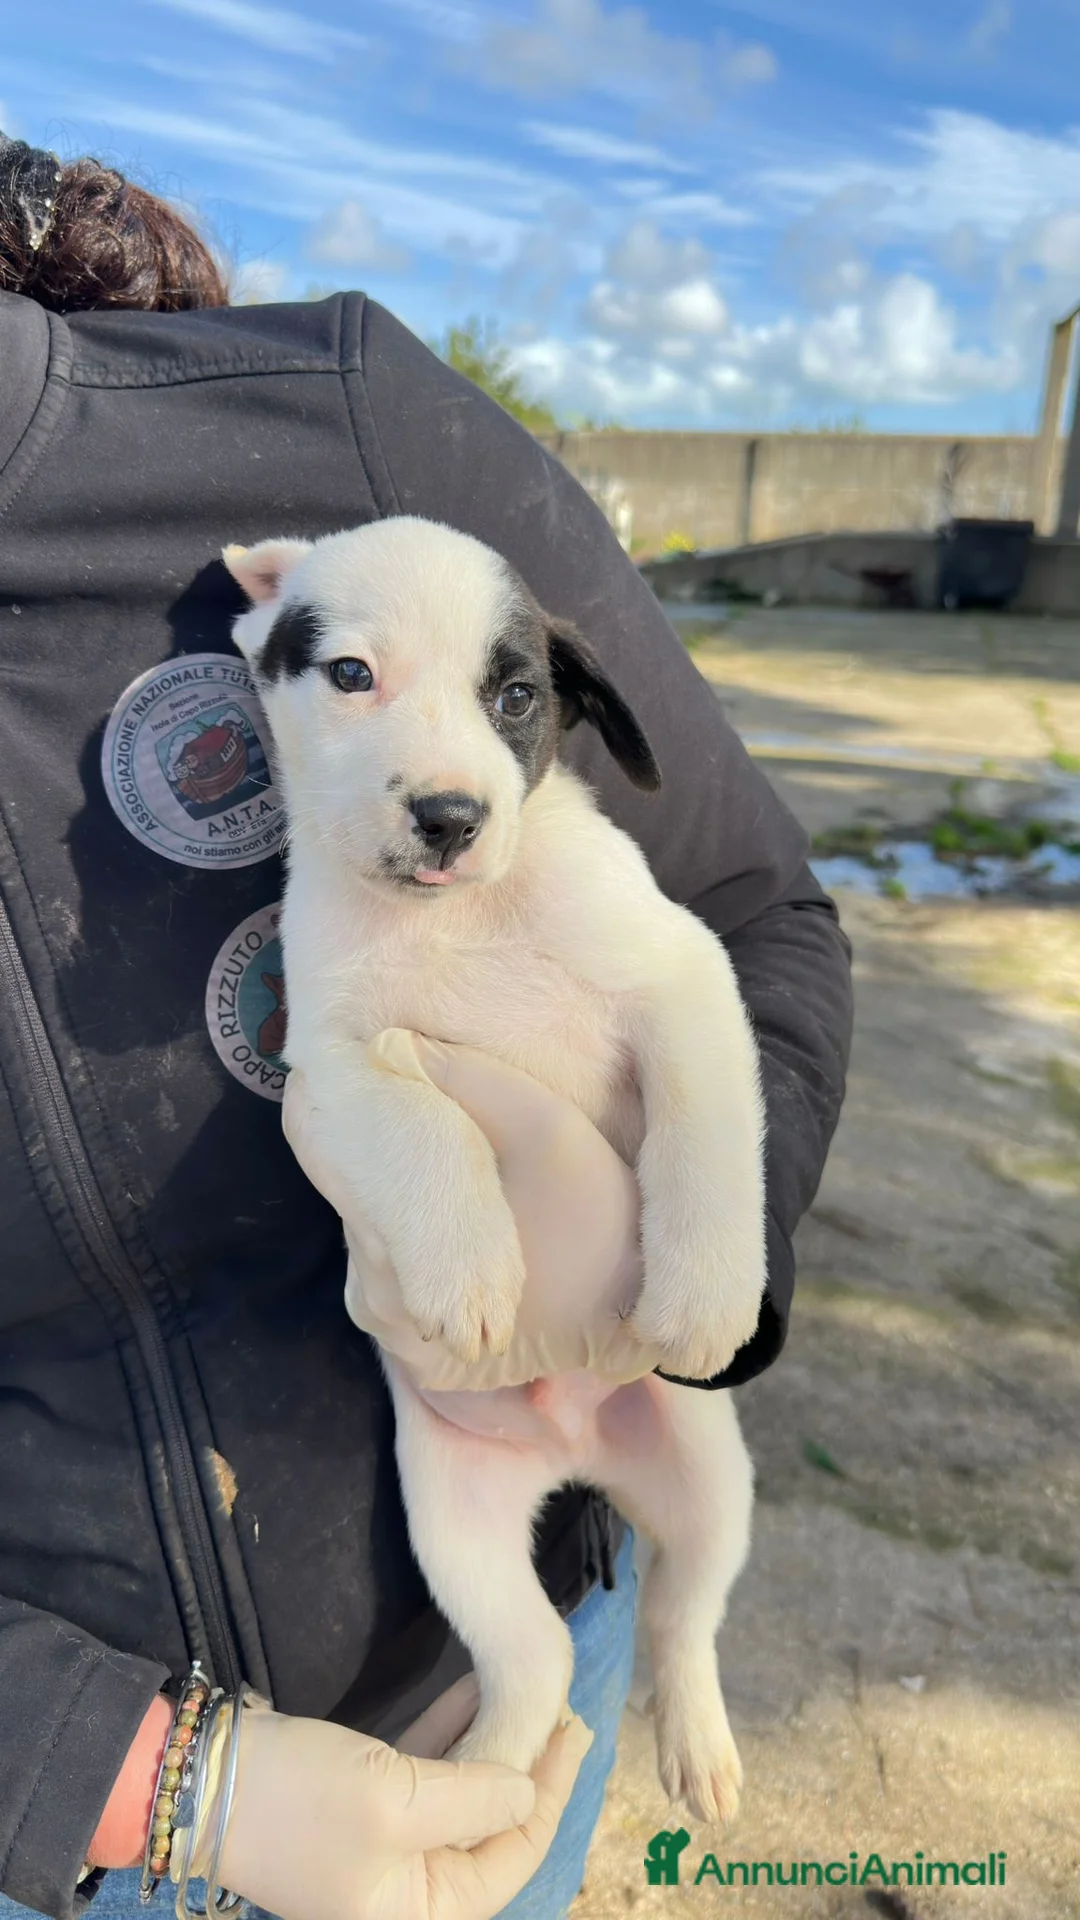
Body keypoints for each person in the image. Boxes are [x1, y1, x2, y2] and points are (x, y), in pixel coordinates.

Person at [0, 136, 853, 1920]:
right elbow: (345, 1072)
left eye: (496, 704)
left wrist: (708, 1250)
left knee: (700, 1507)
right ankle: (539, 1663)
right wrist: (117, 1767)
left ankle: (677, 1645)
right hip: (87, 1825)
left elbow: (738, 945)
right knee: (499, 1572)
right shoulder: (321, 759)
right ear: (275, 648)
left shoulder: (330, 413)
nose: (443, 768)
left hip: (519, 1536)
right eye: (357, 681)